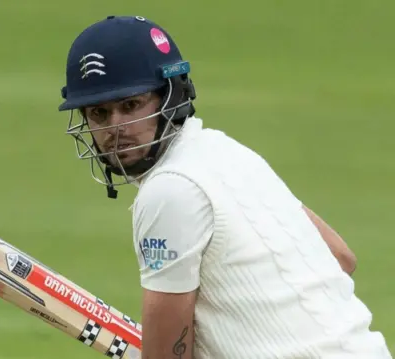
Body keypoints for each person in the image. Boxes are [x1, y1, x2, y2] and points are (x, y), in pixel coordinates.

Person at [57, 15, 392, 359]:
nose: (116, 128)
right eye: (99, 113)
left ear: (170, 97)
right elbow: (338, 257)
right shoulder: (224, 151)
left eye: (131, 106)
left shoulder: (169, 191)